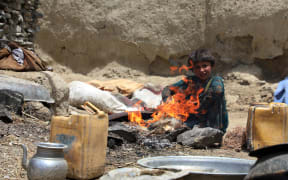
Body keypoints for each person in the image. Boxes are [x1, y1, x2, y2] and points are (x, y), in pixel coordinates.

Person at [162, 49, 228, 133]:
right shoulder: (190, 81)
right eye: (197, 67)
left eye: (205, 66)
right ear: (192, 69)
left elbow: (217, 91)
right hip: (192, 124)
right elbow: (167, 89)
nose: (201, 70)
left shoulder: (216, 80)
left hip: (212, 126)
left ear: (211, 66)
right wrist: (168, 104)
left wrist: (195, 107)